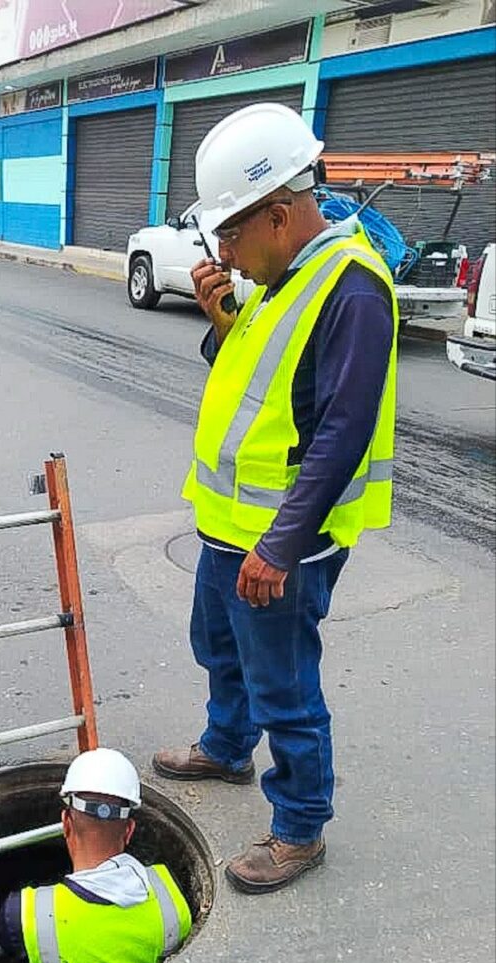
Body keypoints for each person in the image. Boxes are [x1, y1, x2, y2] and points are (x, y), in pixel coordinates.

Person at [153, 103, 398, 895]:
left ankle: (298, 827)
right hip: (229, 523)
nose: (223, 252)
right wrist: (221, 320)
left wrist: (279, 548)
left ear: (280, 214)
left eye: (229, 234)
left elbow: (341, 430)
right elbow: (259, 382)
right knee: (219, 647)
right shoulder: (278, 274)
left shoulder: (351, 289)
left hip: (282, 541)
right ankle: (226, 747)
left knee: (284, 687)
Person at [0, 748, 191, 963]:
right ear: (129, 830)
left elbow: (6, 942)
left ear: (66, 823)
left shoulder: (21, 915)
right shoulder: (170, 898)